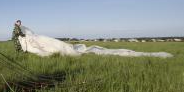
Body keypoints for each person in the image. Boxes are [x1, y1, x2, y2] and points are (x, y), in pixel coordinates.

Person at [17, 25, 173, 58]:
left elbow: (46, 49)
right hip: (49, 45)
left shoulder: (33, 38)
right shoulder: (29, 39)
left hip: (65, 47)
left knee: (74, 49)